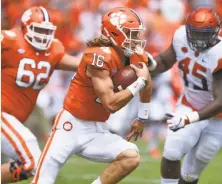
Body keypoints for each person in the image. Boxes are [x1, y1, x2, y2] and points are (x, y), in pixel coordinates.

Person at [31, 7, 152, 184]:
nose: (136, 39)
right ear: (114, 34)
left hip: (96, 128)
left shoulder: (134, 55)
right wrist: (138, 83)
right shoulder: (98, 56)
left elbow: (147, 82)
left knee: (131, 156)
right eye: (129, 33)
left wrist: (142, 117)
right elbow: (111, 104)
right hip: (70, 127)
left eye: (136, 34)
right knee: (41, 181)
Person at [1, 6, 80, 183]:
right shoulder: (9, 40)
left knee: (27, 165)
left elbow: (80, 64)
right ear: (25, 28)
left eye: (47, 31)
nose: (43, 35)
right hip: (2, 115)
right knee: (34, 161)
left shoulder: (54, 49)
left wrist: (110, 60)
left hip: (13, 119)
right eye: (38, 30)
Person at [146, 7, 222, 184]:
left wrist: (189, 119)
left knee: (192, 171)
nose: (199, 40)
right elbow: (164, 62)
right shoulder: (181, 36)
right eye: (195, 34)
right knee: (172, 149)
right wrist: (149, 64)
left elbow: (220, 101)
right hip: (189, 104)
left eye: (205, 35)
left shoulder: (219, 53)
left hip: (218, 117)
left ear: (216, 32)